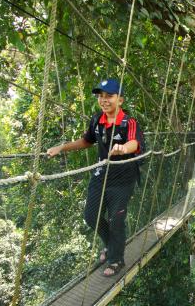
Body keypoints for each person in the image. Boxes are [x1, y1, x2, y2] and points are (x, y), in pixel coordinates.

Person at [47, 78, 141, 277]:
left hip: (123, 180)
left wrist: (123, 148)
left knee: (116, 221)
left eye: (109, 96)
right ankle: (112, 245)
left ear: (120, 100)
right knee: (91, 216)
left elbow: (134, 142)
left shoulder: (128, 122)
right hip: (101, 176)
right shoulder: (97, 120)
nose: (103, 100)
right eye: (101, 96)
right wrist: (62, 147)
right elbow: (86, 141)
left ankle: (116, 260)